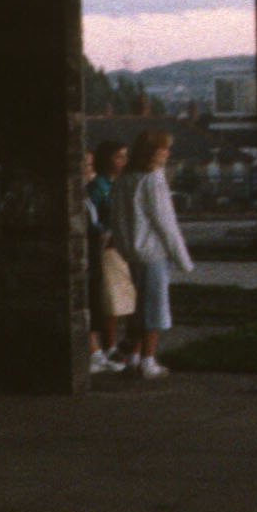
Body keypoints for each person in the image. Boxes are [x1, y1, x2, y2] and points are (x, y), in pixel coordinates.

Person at [112, 126, 194, 378]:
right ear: (153, 152)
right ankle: (148, 360)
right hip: (153, 252)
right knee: (155, 309)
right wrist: (183, 259)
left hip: (132, 252)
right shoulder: (153, 179)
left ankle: (133, 357)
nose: (168, 153)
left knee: (139, 307)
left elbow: (116, 218)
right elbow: (165, 223)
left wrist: (124, 247)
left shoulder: (125, 179)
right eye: (164, 148)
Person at [85, 141, 133, 374]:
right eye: (119, 156)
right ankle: (108, 347)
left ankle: (115, 346)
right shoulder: (98, 186)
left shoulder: (119, 183)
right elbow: (91, 217)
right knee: (110, 299)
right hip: (106, 248)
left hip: (120, 246)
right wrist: (106, 232)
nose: (124, 161)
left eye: (125, 156)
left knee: (121, 299)